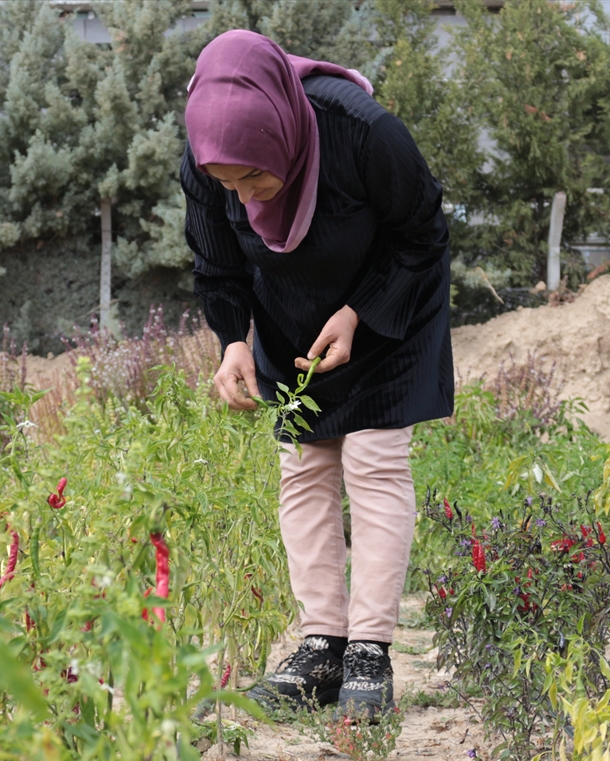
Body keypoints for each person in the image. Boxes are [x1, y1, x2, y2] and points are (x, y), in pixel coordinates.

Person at [181, 30, 453, 719]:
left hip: (387, 306)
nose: (244, 199)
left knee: (374, 460)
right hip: (287, 318)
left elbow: (423, 232)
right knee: (303, 467)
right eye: (229, 184)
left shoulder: (363, 133)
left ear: (282, 137)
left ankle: (370, 651)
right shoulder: (209, 158)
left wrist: (361, 312)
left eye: (256, 179)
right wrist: (231, 342)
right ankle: (321, 648)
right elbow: (216, 260)